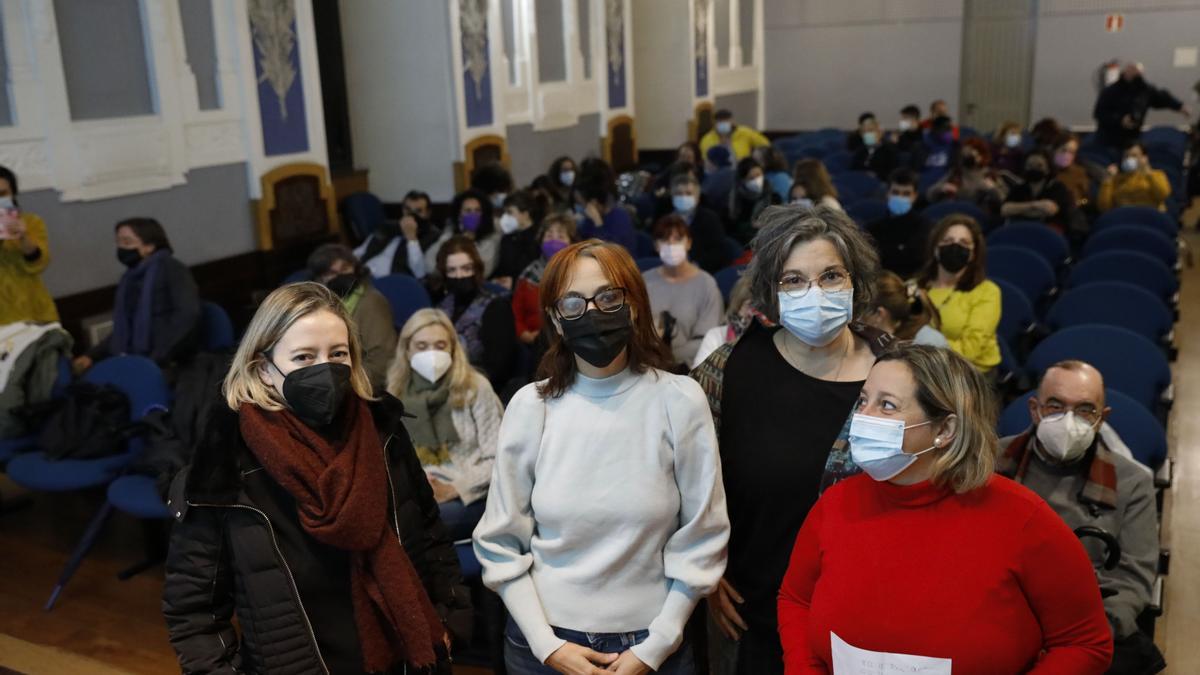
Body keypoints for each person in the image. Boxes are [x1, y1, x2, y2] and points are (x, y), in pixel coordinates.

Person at [163, 282, 470, 674]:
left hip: (409, 658)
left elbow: (429, 532)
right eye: (304, 357)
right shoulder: (223, 466)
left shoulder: (384, 432)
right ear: (264, 370)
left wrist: (450, 617)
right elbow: (194, 610)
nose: (325, 369)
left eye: (337, 354)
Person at [473, 239, 730, 675]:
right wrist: (547, 646)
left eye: (609, 297)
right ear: (555, 317)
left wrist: (657, 646)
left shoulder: (680, 400)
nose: (592, 312)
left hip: (654, 643)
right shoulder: (530, 407)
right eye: (573, 303)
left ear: (633, 304)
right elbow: (500, 544)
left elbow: (703, 536)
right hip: (546, 645)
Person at [778, 344, 1114, 673]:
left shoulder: (1023, 519)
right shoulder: (836, 504)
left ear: (945, 430)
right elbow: (795, 599)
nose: (862, 417)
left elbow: (1084, 643)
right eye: (863, 401)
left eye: (888, 406)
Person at [691, 206, 892, 675]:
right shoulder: (728, 370)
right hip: (755, 616)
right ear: (772, 294)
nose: (814, 292)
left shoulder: (898, 373)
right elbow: (682, 480)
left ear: (855, 282)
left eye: (830, 276)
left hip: (867, 618)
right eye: (794, 280)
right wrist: (705, 571)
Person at [998, 360, 1162, 674]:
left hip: (1088, 628)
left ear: (1102, 419)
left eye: (1085, 409)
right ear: (1035, 409)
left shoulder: (1131, 483)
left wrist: (1081, 640)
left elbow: (1132, 581)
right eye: (1056, 405)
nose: (1068, 420)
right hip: (1000, 619)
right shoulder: (989, 465)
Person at [388, 308, 503, 541]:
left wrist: (454, 488)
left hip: (471, 494)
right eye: (421, 347)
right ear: (407, 350)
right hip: (419, 492)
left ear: (453, 348)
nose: (431, 354)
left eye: (440, 346)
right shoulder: (396, 393)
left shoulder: (475, 387)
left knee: (410, 527)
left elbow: (500, 459)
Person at [74, 218, 200, 374]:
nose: (121, 248)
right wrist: (91, 355)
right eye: (118, 242)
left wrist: (156, 358)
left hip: (170, 360)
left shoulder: (172, 269)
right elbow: (125, 328)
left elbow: (187, 316)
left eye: (127, 242)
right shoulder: (130, 278)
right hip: (136, 358)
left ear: (149, 246)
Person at [307, 244, 398, 394]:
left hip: (360, 389)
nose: (340, 276)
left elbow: (382, 362)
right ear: (320, 279)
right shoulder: (320, 305)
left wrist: (342, 386)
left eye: (344, 269)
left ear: (355, 268)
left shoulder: (371, 302)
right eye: (331, 273)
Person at [916, 215, 1001, 372]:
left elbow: (971, 350)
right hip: (921, 367)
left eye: (964, 243)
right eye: (947, 241)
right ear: (936, 248)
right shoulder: (917, 286)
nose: (955, 246)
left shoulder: (987, 291)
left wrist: (920, 343)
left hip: (968, 374)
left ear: (973, 254)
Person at [436, 236, 517, 392]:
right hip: (440, 382)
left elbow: (498, 369)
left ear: (476, 269)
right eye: (452, 270)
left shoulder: (496, 307)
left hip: (478, 388)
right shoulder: (441, 306)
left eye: (466, 268)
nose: (459, 276)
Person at [644, 215, 725, 368]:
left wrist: (666, 358)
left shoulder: (706, 284)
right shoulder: (643, 282)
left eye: (677, 239)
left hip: (689, 369)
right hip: (646, 365)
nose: (671, 245)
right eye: (665, 240)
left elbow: (707, 339)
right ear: (656, 246)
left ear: (688, 243)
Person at [0, 165, 58, 324]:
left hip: (33, 311)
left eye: (3, 194)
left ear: (13, 194)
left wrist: (23, 237)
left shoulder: (31, 222)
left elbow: (39, 263)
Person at [513, 213, 578, 347]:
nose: (554, 241)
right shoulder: (529, 274)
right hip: (533, 344)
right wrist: (524, 334)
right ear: (541, 241)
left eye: (560, 236)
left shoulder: (580, 273)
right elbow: (515, 314)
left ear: (571, 242)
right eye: (549, 235)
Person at [1094, 63, 1190, 149]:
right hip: (1109, 139)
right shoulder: (1110, 91)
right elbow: (1099, 113)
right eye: (1131, 70)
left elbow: (1162, 98)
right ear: (1125, 72)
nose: (1133, 74)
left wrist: (1180, 106)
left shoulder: (1144, 90)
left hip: (1132, 138)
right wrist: (1120, 120)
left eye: (1136, 72)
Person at [355, 190, 442, 279]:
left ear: (427, 213)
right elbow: (361, 251)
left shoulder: (434, 237)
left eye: (418, 211)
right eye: (407, 209)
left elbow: (420, 273)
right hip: (361, 274)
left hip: (390, 283)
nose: (411, 215)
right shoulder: (387, 226)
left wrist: (412, 239)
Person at [867, 168, 932, 279]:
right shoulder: (873, 228)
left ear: (914, 196)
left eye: (906, 194)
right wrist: (899, 250)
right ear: (888, 194)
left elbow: (916, 259)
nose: (900, 198)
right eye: (895, 192)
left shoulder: (925, 227)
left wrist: (886, 252)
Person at [426, 189, 502, 278]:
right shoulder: (449, 235)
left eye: (477, 210)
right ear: (459, 215)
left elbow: (483, 272)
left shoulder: (493, 239)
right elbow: (428, 264)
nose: (473, 215)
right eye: (468, 211)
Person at [1002, 149, 1078, 234]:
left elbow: (1050, 210)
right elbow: (1005, 209)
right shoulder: (1019, 188)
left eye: (1039, 166)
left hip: (1048, 232)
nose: (1034, 169)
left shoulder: (1057, 187)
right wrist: (1036, 205)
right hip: (1020, 229)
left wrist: (1019, 209)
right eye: (1030, 165)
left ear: (1048, 168)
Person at [691, 275, 760, 369]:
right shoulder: (716, 336)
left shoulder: (775, 339)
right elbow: (698, 377)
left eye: (761, 307)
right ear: (737, 306)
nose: (755, 312)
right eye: (750, 305)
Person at [926, 137, 1007, 216]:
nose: (967, 156)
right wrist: (942, 188)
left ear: (981, 157)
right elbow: (930, 195)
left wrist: (992, 190)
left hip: (982, 217)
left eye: (972, 153)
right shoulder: (956, 173)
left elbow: (1005, 202)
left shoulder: (990, 175)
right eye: (965, 153)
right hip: (956, 215)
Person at [670, 172, 734, 272]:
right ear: (672, 196)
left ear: (697, 197)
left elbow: (718, 252)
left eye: (688, 193)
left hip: (702, 272)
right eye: (679, 193)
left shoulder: (710, 219)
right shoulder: (666, 221)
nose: (683, 197)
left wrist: (695, 266)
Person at [864, 271, 947, 347]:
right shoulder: (878, 341)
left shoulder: (929, 342)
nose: (857, 318)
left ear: (880, 314)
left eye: (863, 310)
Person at [575, 158, 636, 253]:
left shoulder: (620, 219)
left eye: (582, 203)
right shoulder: (587, 221)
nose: (582, 207)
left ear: (593, 202)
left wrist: (598, 223)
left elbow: (609, 258)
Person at [494, 190, 547, 288]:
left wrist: (513, 282)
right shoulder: (507, 238)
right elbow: (502, 267)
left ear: (525, 214)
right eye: (504, 212)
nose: (505, 217)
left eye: (510, 212)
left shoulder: (540, 238)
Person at [1098, 142, 1172, 212]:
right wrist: (1107, 181)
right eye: (1126, 156)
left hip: (1150, 219)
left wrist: (1147, 171)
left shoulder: (1157, 175)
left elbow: (1163, 195)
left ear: (1144, 157)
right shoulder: (1116, 180)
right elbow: (1105, 208)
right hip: (1124, 220)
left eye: (1134, 156)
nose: (1129, 159)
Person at [730, 157, 781, 244]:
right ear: (743, 180)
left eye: (758, 175)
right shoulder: (737, 200)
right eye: (751, 178)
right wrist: (752, 225)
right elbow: (734, 226)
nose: (757, 180)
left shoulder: (773, 196)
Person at [1053, 133, 1100, 213]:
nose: (1067, 155)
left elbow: (1087, 199)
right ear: (1054, 149)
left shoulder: (1080, 172)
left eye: (1072, 152)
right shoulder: (1045, 171)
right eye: (1064, 150)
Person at [700, 108, 770, 161]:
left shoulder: (744, 132)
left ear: (732, 121)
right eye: (720, 121)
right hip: (719, 170)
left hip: (742, 168)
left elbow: (765, 144)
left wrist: (754, 158)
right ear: (715, 123)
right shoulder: (707, 139)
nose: (723, 123)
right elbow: (706, 159)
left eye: (726, 120)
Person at [850, 115, 899, 181]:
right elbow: (853, 169)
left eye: (870, 131)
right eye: (864, 132)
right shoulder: (860, 150)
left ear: (880, 132)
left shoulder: (889, 150)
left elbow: (893, 173)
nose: (867, 134)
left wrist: (875, 175)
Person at [702, 146, 737, 216]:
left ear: (713, 161)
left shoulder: (719, 176)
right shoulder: (730, 172)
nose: (705, 162)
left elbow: (705, 195)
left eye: (707, 159)